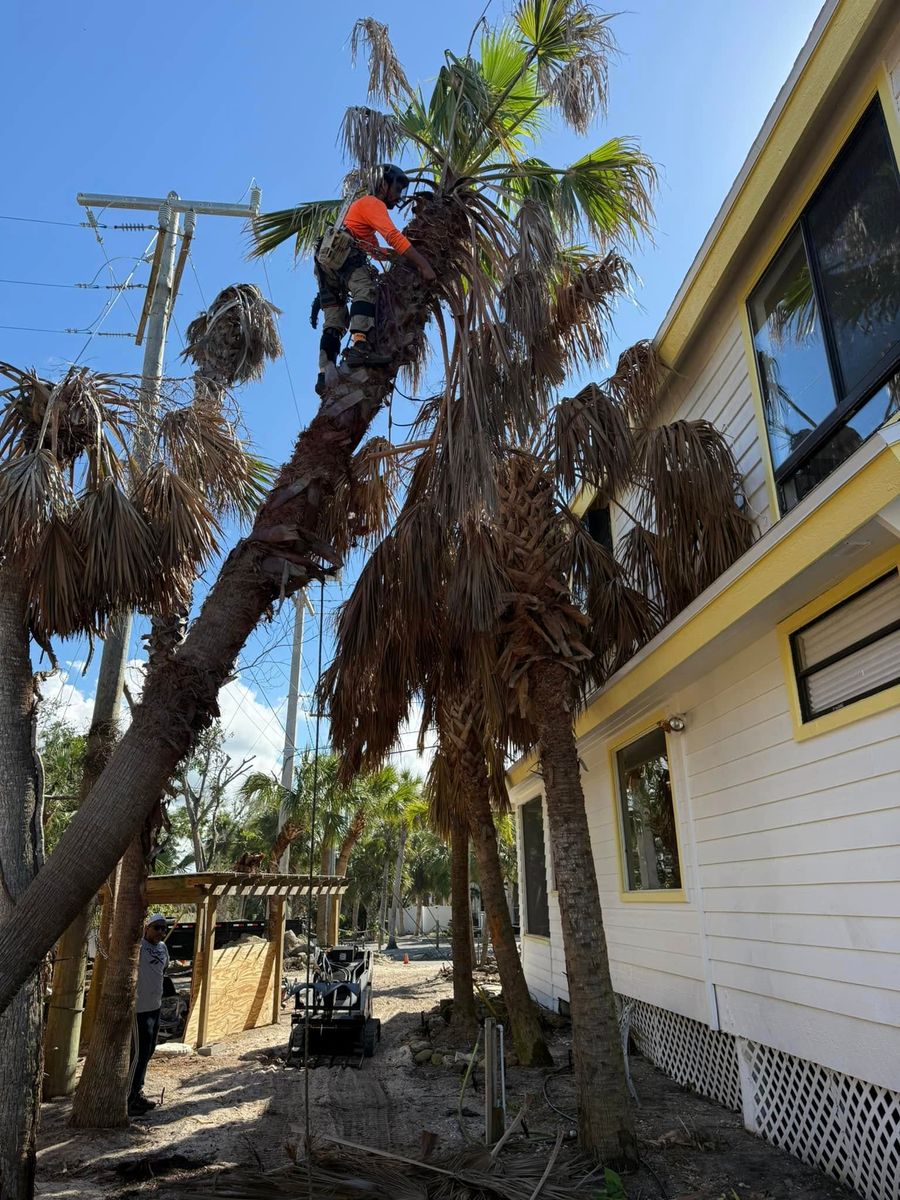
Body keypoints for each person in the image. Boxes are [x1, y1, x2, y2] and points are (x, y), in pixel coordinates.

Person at [313, 164, 436, 395]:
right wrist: (423, 264)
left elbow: (376, 250)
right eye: (397, 188)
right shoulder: (373, 203)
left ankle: (323, 374)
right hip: (344, 253)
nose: (398, 195)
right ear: (383, 184)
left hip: (326, 261)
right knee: (365, 291)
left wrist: (396, 259)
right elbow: (392, 236)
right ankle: (359, 346)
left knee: (334, 321)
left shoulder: (359, 211)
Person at [127, 912, 170, 1117]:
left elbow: (164, 971)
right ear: (147, 928)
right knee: (138, 1054)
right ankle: (128, 1098)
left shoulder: (162, 949)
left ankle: (138, 1092)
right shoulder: (139, 948)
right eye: (157, 927)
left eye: (164, 928)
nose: (161, 932)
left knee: (149, 1051)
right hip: (140, 1009)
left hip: (155, 1007)